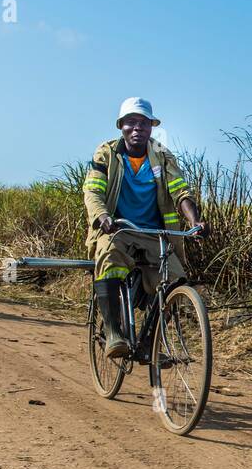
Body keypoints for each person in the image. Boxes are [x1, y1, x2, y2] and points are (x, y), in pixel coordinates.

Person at [83, 97, 207, 358]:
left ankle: (149, 344)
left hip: (153, 233)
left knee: (174, 281)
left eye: (143, 123)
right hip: (116, 230)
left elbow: (180, 192)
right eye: (131, 122)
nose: (137, 128)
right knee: (110, 258)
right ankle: (114, 333)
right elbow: (92, 192)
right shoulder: (106, 153)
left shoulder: (162, 156)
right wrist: (103, 216)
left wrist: (194, 222)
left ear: (151, 127)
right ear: (121, 127)